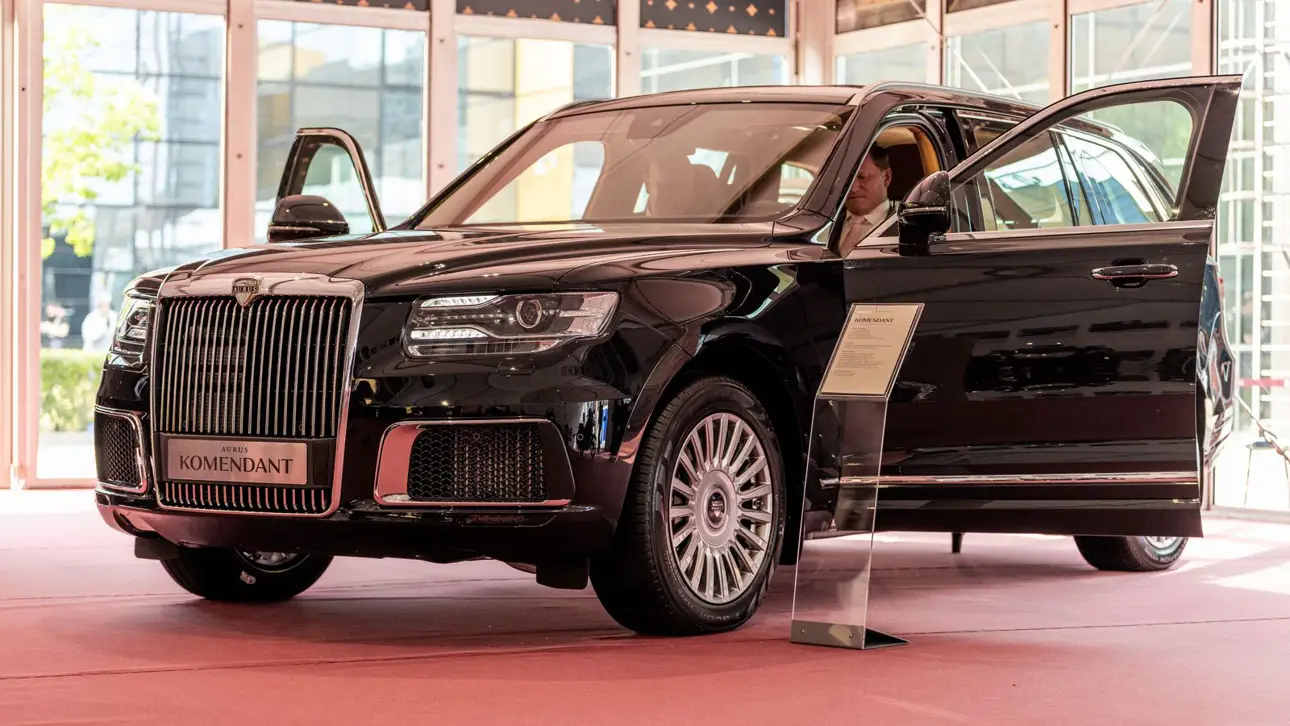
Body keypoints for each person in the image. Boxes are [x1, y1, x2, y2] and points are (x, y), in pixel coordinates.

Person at [837, 144, 895, 256]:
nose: (853, 188)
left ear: (886, 177)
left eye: (862, 177)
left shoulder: (906, 231)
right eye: (847, 179)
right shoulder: (824, 227)